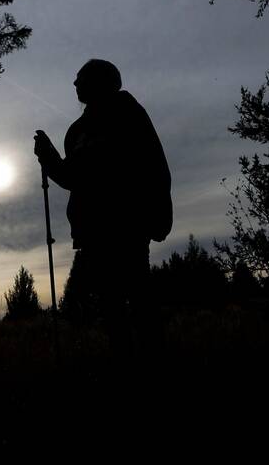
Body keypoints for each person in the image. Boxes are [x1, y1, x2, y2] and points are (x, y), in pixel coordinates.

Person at [34, 59, 172, 358]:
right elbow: (73, 178)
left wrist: (159, 216)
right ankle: (125, 366)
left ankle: (156, 365)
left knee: (139, 300)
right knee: (111, 307)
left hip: (128, 224)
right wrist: (49, 158)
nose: (74, 84)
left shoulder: (128, 113)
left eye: (80, 78)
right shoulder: (76, 131)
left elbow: (154, 163)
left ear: (101, 81)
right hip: (93, 231)